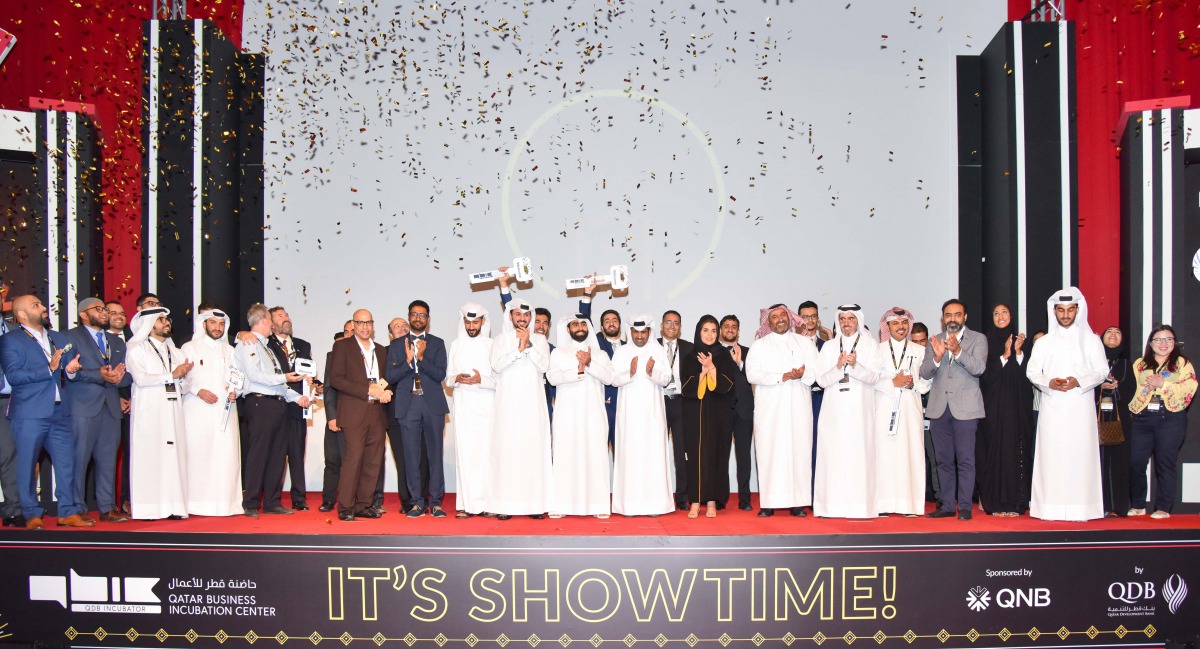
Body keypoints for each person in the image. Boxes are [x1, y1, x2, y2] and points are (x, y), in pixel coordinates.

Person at [0, 295, 88, 529]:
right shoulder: (11, 340)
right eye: (35, 305)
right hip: (29, 413)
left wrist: (70, 371)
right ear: (21, 315)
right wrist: (47, 368)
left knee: (67, 463)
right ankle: (31, 514)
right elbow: (14, 376)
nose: (42, 308)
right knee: (26, 465)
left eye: (41, 304)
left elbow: (70, 374)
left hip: (60, 412)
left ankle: (67, 512)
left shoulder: (59, 338)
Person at [1025, 288, 1108, 521]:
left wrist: (1078, 381)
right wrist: (1049, 382)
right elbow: (1032, 372)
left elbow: (1102, 371)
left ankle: (1082, 508)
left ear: (1077, 311)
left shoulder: (1091, 341)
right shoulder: (1044, 343)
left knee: (1080, 456)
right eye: (1061, 310)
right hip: (1052, 407)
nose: (1065, 314)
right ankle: (1048, 508)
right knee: (1051, 456)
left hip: (1080, 407)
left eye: (1070, 310)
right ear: (1054, 312)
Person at [233, 304, 310, 517]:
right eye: (271, 319)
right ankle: (250, 503)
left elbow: (280, 385)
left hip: (277, 403)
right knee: (259, 453)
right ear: (265, 320)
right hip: (260, 404)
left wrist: (298, 397)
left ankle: (272, 501)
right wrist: (285, 377)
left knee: (277, 454)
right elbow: (255, 375)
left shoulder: (267, 347)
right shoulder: (249, 343)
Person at [746, 304, 818, 517]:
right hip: (770, 411)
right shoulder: (759, 346)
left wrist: (802, 374)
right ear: (768, 322)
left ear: (789, 318)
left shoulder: (805, 343)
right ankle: (768, 502)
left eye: (783, 316)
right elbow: (752, 375)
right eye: (775, 317)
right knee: (770, 452)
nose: (779, 320)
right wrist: (783, 376)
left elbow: (815, 374)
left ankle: (797, 502)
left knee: (798, 452)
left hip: (798, 408)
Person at [813, 304, 883, 519]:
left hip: (859, 412)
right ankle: (830, 508)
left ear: (858, 321)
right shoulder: (829, 347)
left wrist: (856, 366)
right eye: (842, 319)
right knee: (833, 457)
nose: (846, 323)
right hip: (833, 411)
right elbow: (821, 380)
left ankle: (860, 508)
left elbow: (874, 378)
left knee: (858, 458)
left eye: (851, 319)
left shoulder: (871, 345)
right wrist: (838, 367)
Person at [920, 299, 987, 520]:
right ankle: (947, 505)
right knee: (943, 460)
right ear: (943, 318)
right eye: (948, 315)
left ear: (965, 317)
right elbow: (924, 372)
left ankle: (965, 507)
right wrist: (937, 358)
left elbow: (978, 368)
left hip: (966, 410)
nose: (952, 319)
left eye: (957, 315)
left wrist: (958, 352)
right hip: (939, 409)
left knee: (966, 459)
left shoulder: (978, 339)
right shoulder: (935, 341)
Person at [65, 297, 131, 523]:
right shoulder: (70, 337)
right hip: (83, 406)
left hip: (111, 407)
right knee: (79, 459)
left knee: (108, 460)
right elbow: (69, 373)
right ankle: (77, 508)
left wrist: (121, 378)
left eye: (105, 309)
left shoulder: (116, 341)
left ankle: (107, 507)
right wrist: (99, 375)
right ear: (83, 314)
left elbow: (127, 374)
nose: (104, 312)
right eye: (99, 309)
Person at [488, 298, 553, 519]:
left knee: (533, 453)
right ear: (510, 316)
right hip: (507, 405)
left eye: (526, 315)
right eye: (518, 315)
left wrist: (530, 345)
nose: (522, 319)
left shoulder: (539, 339)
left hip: (533, 405)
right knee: (508, 453)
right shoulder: (499, 339)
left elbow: (544, 366)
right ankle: (507, 506)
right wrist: (518, 349)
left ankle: (535, 505)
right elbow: (496, 365)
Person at [125, 307, 192, 520]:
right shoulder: (137, 349)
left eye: (166, 319)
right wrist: (172, 375)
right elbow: (141, 379)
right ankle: (149, 509)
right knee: (150, 457)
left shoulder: (177, 352)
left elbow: (186, 385)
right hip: (149, 411)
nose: (166, 322)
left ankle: (173, 506)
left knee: (173, 456)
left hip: (173, 410)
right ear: (149, 325)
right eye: (160, 319)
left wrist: (181, 379)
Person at [546, 314, 615, 518]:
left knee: (595, 456)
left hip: (593, 414)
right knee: (565, 456)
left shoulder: (600, 354)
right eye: (575, 324)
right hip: (566, 414)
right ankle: (562, 505)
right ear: (568, 329)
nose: (579, 327)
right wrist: (577, 372)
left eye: (583, 323)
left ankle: (598, 506)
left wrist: (590, 363)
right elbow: (551, 377)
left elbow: (609, 378)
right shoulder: (558, 353)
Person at [327, 309, 393, 521]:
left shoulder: (381, 350)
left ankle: (364, 505)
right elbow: (336, 379)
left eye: (369, 323)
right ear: (353, 325)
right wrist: (367, 389)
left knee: (373, 461)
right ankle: (346, 506)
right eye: (360, 323)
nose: (365, 327)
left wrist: (386, 390)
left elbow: (385, 379)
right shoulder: (342, 346)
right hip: (354, 411)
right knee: (353, 460)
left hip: (377, 412)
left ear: (373, 325)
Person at [386, 300, 449, 519]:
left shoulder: (437, 343)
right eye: (414, 314)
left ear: (428, 319)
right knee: (411, 456)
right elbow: (391, 377)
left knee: (435, 455)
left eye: (422, 315)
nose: (418, 318)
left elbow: (440, 375)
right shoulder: (396, 346)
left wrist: (421, 358)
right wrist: (408, 361)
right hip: (408, 405)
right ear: (409, 316)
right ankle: (416, 503)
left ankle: (437, 503)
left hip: (432, 404)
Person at [1127, 325, 1197, 519]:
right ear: (1151, 343)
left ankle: (1163, 508)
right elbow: (1132, 388)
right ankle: (1138, 505)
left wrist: (1163, 384)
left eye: (1168, 339)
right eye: (1158, 339)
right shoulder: (1140, 364)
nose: (1163, 343)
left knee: (1165, 463)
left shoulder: (1182, 363)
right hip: (1142, 417)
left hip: (1170, 418)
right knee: (1135, 462)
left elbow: (1190, 387)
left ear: (1175, 343)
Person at [179, 307, 242, 516]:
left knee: (227, 455)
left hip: (226, 410)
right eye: (213, 323)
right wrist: (199, 391)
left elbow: (238, 379)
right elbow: (182, 381)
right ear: (204, 324)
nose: (218, 328)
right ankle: (196, 504)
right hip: (198, 410)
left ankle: (226, 505)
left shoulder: (230, 351)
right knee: (199, 454)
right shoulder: (189, 348)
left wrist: (236, 392)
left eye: (222, 324)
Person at [610, 315, 674, 516]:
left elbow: (666, 380)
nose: (639, 336)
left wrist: (651, 372)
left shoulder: (658, 351)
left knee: (652, 456)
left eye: (643, 332)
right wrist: (630, 372)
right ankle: (629, 505)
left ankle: (654, 505)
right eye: (636, 332)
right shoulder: (621, 352)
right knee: (630, 455)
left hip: (653, 415)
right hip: (628, 415)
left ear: (649, 332)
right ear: (630, 332)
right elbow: (612, 380)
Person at [975, 304, 1034, 517]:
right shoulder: (985, 343)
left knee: (1016, 454)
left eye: (1004, 313)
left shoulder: (1023, 345)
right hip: (993, 413)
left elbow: (1030, 377)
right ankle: (995, 504)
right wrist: (1004, 355)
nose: (1000, 316)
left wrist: (1018, 353)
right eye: (996, 313)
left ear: (1011, 316)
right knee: (994, 455)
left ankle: (1016, 504)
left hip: (1017, 413)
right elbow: (985, 376)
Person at [873, 307, 930, 517]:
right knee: (884, 454)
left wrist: (913, 384)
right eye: (895, 323)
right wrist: (892, 383)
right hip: (884, 407)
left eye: (904, 323)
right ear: (887, 326)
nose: (900, 327)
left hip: (910, 407)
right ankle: (882, 504)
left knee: (910, 453)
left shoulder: (920, 350)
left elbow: (928, 380)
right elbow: (870, 379)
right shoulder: (876, 350)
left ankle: (909, 505)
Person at [680, 315, 736, 519]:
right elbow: (686, 388)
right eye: (706, 330)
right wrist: (701, 374)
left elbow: (728, 385)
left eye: (713, 330)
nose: (710, 334)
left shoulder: (724, 356)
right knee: (694, 457)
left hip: (718, 415)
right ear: (698, 331)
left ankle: (711, 501)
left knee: (714, 455)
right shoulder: (689, 356)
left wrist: (712, 368)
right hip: (694, 415)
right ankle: (695, 502)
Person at [444, 303, 496, 518]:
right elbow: (448, 378)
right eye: (468, 322)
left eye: (475, 322)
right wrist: (456, 378)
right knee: (465, 454)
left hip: (487, 406)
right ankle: (466, 504)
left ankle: (488, 503)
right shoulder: (455, 345)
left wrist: (480, 379)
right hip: (464, 406)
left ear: (483, 322)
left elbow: (499, 380)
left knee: (486, 455)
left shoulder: (493, 345)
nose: (471, 326)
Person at [266, 306, 314, 511]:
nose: (286, 319)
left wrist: (314, 384)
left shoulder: (303, 345)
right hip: (275, 404)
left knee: (297, 452)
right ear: (270, 323)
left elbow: (309, 372)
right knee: (275, 454)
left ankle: (299, 497)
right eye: (280, 316)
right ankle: (271, 497)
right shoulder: (265, 344)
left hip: (299, 405)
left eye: (287, 315)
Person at [719, 314, 754, 511]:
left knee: (744, 457)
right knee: (721, 457)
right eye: (726, 326)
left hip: (744, 412)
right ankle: (720, 498)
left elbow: (755, 376)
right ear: (721, 330)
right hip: (721, 412)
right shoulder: (713, 353)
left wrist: (740, 364)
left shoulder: (750, 352)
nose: (730, 330)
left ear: (738, 331)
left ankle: (745, 499)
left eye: (734, 327)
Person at [659, 310, 693, 510]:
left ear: (680, 327)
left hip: (681, 404)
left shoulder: (689, 348)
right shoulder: (651, 346)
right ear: (662, 326)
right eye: (668, 322)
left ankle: (682, 497)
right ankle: (658, 496)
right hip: (658, 403)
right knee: (656, 451)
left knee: (682, 453)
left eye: (676, 323)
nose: (672, 326)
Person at [1098, 326, 1132, 517]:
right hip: (1097, 418)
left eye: (1117, 332)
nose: (1112, 335)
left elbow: (1131, 392)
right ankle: (1099, 505)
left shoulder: (1127, 365)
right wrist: (1100, 387)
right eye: (1109, 332)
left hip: (1120, 420)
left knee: (1119, 462)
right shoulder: (1094, 364)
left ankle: (1118, 506)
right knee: (1099, 462)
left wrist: (1116, 388)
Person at [319, 322, 354, 512]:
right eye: (346, 331)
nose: (349, 335)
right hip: (336, 416)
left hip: (357, 417)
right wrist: (331, 416)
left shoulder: (367, 355)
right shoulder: (333, 356)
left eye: (352, 331)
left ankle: (352, 501)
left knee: (354, 461)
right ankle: (328, 499)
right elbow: (328, 387)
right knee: (332, 460)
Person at [105, 300, 133, 514]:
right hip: (107, 404)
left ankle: (129, 499)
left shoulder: (136, 340)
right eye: (113, 313)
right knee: (109, 456)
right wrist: (115, 398)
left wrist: (135, 399)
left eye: (122, 313)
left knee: (134, 455)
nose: (119, 316)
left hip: (135, 403)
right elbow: (102, 373)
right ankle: (107, 503)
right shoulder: (100, 340)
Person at [797, 301, 828, 493]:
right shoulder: (792, 344)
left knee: (819, 445)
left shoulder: (827, 346)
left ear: (818, 319)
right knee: (799, 445)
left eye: (813, 316)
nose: (809, 320)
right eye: (805, 316)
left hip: (819, 400)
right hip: (798, 399)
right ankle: (800, 493)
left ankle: (817, 493)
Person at [909, 322, 939, 504]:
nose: (919, 345)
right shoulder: (906, 357)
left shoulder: (935, 358)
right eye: (915, 341)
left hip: (932, 415)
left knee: (935, 459)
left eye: (922, 341)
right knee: (913, 459)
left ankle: (939, 498)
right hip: (911, 415)